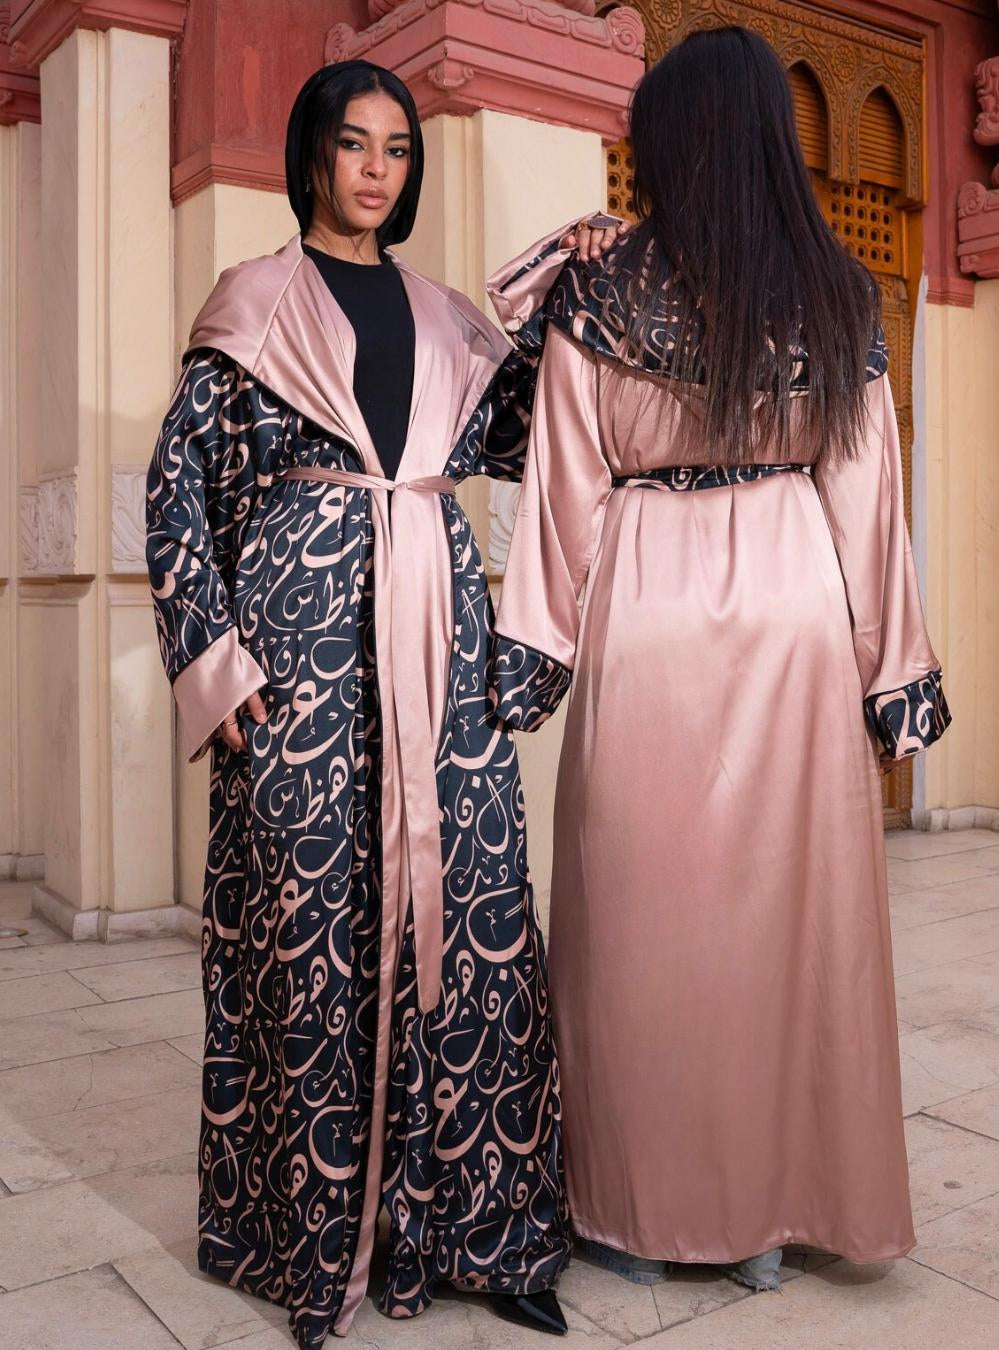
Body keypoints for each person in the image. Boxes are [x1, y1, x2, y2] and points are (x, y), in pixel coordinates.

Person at [145, 57, 622, 1349]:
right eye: (352, 144)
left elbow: (531, 432)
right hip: (296, 670)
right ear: (310, 154)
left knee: (472, 916)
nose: (375, 167)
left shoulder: (454, 318)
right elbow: (179, 485)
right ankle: (309, 1244)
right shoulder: (249, 304)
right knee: (311, 933)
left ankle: (490, 1232)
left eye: (396, 149)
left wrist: (570, 286)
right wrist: (212, 657)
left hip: (439, 648)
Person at [486, 26, 951, 1290]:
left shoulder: (600, 289)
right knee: (780, 922)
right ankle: (764, 1219)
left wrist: (528, 655)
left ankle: (631, 1214)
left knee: (632, 915)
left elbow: (564, 492)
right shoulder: (841, 292)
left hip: (649, 608)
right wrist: (893, 672)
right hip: (795, 609)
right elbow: (868, 504)